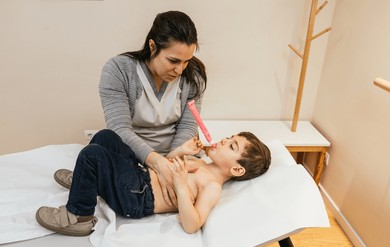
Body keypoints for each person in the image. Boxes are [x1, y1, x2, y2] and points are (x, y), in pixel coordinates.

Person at [54, 10, 207, 207]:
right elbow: (120, 129)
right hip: (131, 156)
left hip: (175, 156)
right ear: (153, 46)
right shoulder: (118, 70)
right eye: (173, 61)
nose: (180, 69)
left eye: (186, 61)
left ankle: (95, 179)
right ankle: (95, 178)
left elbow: (187, 127)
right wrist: (157, 164)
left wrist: (171, 163)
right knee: (104, 138)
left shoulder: (194, 77)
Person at [36, 129, 271, 235]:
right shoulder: (201, 164)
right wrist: (181, 150)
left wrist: (180, 185)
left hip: (138, 196)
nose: (224, 140)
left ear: (237, 169)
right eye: (230, 137)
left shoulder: (212, 187)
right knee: (106, 137)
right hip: (139, 176)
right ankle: (85, 181)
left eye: (232, 145)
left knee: (92, 154)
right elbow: (165, 165)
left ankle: (79, 216)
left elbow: (192, 224)